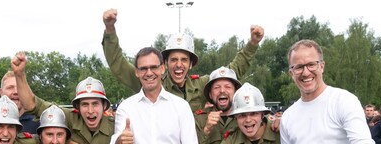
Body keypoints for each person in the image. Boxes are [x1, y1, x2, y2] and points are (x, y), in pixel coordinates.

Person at [101, 8, 264, 113]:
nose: (179, 65)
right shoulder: (152, 82)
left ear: (191, 64)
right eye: (173, 60)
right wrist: (110, 30)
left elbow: (232, 71)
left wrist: (252, 44)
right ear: (165, 64)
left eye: (184, 60)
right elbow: (118, 64)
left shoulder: (201, 86)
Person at [195, 66, 242, 144]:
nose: (222, 91)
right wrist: (206, 130)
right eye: (216, 87)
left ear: (236, 92)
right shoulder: (199, 119)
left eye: (228, 87)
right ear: (210, 94)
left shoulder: (245, 117)